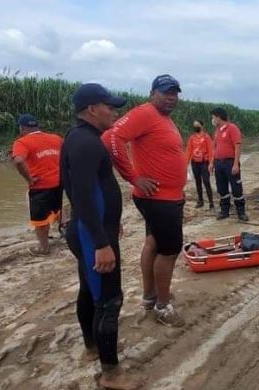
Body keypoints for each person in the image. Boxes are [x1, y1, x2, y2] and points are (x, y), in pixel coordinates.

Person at [60, 83, 142, 390]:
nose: (115, 111)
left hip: (90, 228)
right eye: (110, 106)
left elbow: (82, 190)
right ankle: (111, 375)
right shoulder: (86, 143)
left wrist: (108, 222)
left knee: (89, 290)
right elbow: (81, 193)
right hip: (91, 234)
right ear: (93, 109)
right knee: (109, 300)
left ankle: (92, 347)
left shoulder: (79, 137)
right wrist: (101, 241)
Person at [102, 74, 186, 327]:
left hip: (166, 196)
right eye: (166, 92)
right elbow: (111, 138)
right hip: (159, 199)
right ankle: (162, 306)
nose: (171, 97)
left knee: (152, 243)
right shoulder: (145, 113)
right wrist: (133, 177)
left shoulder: (163, 118)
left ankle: (151, 297)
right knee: (169, 251)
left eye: (175, 93)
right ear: (152, 93)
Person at [11, 114, 63, 256]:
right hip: (59, 183)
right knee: (56, 210)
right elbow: (67, 155)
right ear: (37, 126)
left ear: (22, 128)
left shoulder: (22, 142)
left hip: (40, 185)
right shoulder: (56, 138)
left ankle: (44, 248)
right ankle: (65, 232)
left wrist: (29, 179)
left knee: (39, 220)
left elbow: (19, 161)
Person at [210, 107, 250, 221]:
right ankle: (224, 211)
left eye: (213, 117)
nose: (212, 120)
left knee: (236, 188)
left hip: (230, 162)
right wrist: (212, 163)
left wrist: (236, 164)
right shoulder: (217, 131)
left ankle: (241, 212)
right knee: (221, 188)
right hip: (219, 163)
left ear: (218, 117)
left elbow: (237, 146)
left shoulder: (232, 128)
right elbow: (214, 147)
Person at [185, 120, 214, 210]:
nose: (196, 127)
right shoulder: (192, 138)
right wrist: (185, 164)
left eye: (197, 125)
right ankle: (200, 200)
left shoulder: (206, 137)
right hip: (195, 162)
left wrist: (211, 163)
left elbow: (211, 151)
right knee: (197, 182)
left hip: (204, 162)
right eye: (194, 126)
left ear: (202, 126)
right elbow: (189, 151)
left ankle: (211, 202)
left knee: (206, 181)